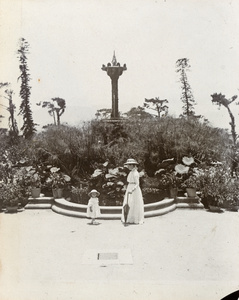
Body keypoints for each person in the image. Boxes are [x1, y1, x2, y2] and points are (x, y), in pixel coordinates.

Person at [121, 158, 144, 225]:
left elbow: (137, 183)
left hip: (134, 189)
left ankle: (135, 218)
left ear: (133, 165)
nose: (128, 166)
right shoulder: (131, 172)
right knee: (128, 203)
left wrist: (132, 189)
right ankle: (128, 218)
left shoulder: (136, 173)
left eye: (129, 165)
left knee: (134, 203)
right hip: (129, 187)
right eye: (127, 165)